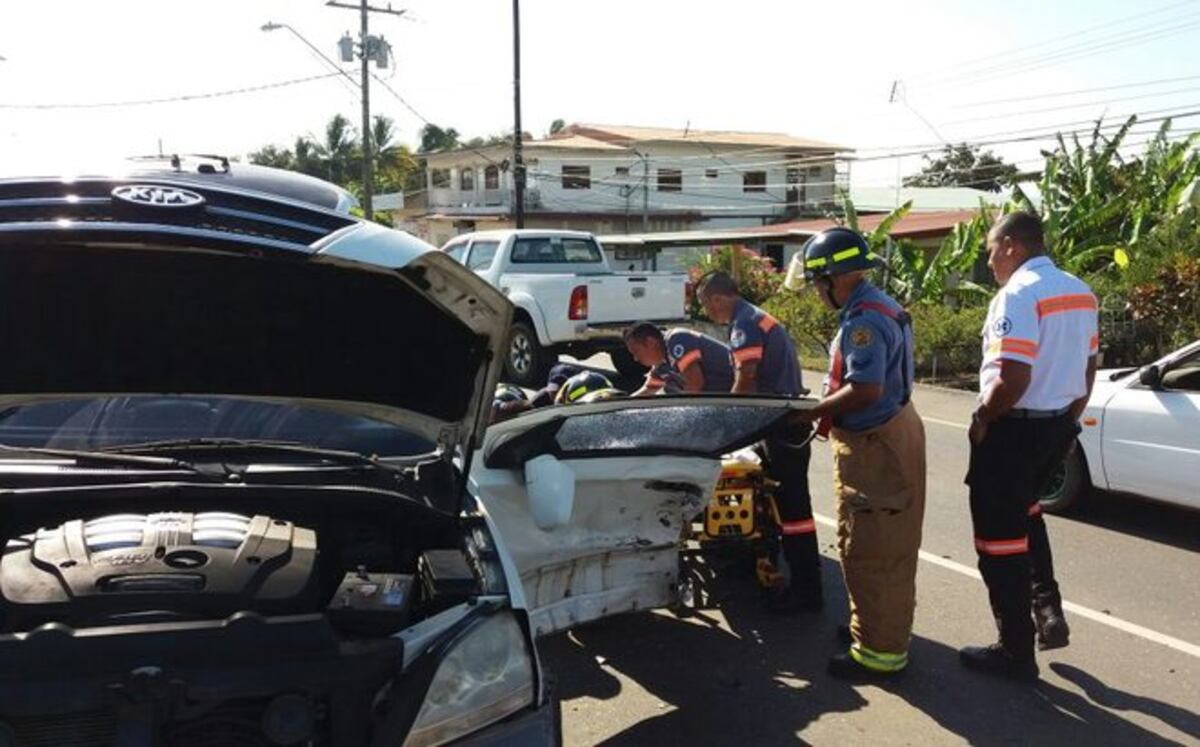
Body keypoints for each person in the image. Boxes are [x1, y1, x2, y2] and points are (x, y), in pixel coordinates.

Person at [961, 211, 1098, 683]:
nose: (991, 260)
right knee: (1028, 514)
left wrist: (983, 419)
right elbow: (1088, 369)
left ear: (1013, 246)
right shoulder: (1080, 290)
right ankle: (1047, 610)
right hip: (1056, 426)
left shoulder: (1017, 295)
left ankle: (1015, 651)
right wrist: (1068, 421)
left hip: (1011, 430)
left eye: (991, 250)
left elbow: (1013, 377)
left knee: (997, 543)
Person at [786, 227, 926, 680]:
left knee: (872, 549)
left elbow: (865, 389)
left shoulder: (863, 321)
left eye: (816, 281)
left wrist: (810, 413)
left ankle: (879, 656)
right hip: (890, 435)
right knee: (879, 546)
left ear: (833, 277)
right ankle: (871, 630)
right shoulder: (878, 303)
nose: (815, 291)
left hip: (875, 447)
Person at [696, 270, 822, 613]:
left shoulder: (745, 324)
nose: (707, 313)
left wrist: (728, 425)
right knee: (785, 507)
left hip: (780, 425)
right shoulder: (753, 318)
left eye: (706, 306)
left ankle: (806, 593)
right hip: (784, 422)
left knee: (793, 511)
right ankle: (800, 583)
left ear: (718, 299)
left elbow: (746, 377)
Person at [623, 322, 735, 396]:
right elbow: (649, 389)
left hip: (742, 394)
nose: (635, 359)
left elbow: (695, 385)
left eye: (636, 352)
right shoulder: (662, 362)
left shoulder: (677, 340)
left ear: (650, 342)